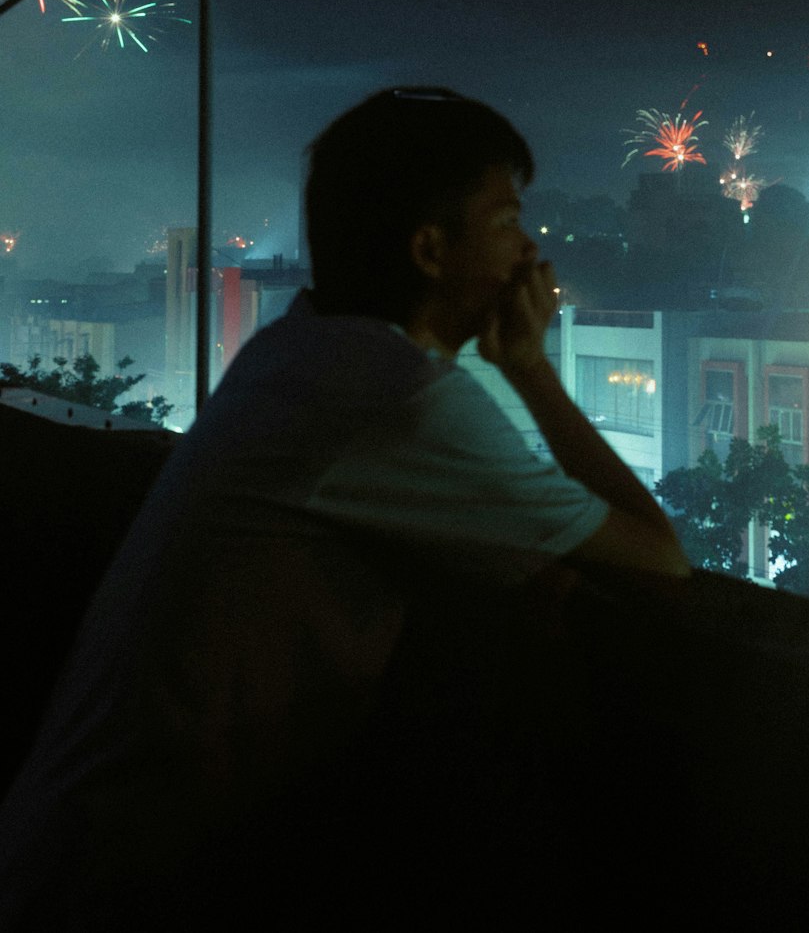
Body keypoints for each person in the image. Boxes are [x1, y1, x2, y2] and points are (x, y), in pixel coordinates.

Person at [0, 86, 687, 927]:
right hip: (126, 884)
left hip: (76, 849)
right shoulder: (399, 397)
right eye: (507, 222)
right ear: (432, 249)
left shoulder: (295, 348)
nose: (530, 251)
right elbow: (660, 558)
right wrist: (530, 369)